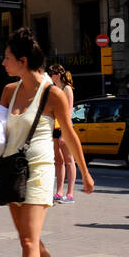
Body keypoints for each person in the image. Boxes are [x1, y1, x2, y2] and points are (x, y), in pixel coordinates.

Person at [0, 28, 94, 257]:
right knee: (28, 239)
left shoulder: (52, 94)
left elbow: (69, 134)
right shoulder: (9, 91)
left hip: (41, 170)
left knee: (29, 241)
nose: (2, 62)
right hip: (13, 171)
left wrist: (84, 172)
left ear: (23, 60)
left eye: (6, 58)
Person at [49, 65, 77, 203]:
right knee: (58, 161)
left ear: (58, 75)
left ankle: (70, 194)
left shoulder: (67, 89)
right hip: (55, 127)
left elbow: (69, 112)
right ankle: (59, 192)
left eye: (51, 74)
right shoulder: (55, 89)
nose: (50, 76)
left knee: (69, 160)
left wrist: (64, 134)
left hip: (65, 128)